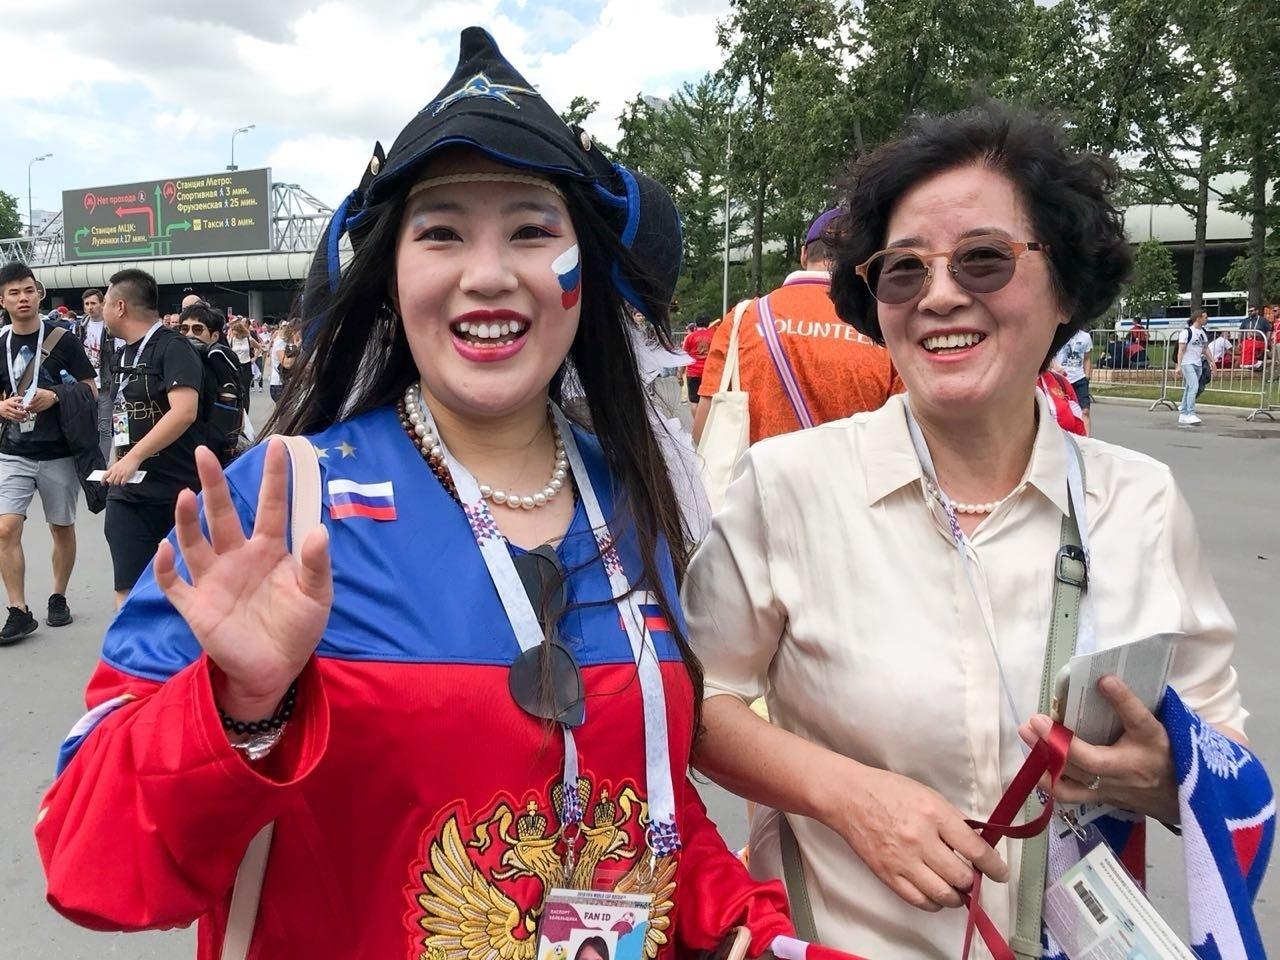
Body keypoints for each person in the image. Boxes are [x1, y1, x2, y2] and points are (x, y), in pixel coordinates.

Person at [37, 27, 793, 960]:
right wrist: (239, 705)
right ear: (392, 280)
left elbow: (651, 819)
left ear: (585, 279)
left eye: (532, 228)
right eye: (440, 232)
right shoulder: (278, 505)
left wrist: (752, 934)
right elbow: (92, 865)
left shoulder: (636, 506)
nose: (487, 273)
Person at [685, 105, 1267, 958]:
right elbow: (693, 701)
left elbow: (1222, 746)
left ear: (1064, 284)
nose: (942, 294)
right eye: (903, 271)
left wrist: (1158, 775)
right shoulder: (789, 486)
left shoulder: (1140, 502)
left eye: (984, 259)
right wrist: (850, 797)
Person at [693, 208, 902, 446]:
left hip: (758, 481)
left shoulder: (742, 319)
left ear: (803, 255)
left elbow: (704, 429)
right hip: (856, 481)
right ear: (863, 261)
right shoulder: (884, 326)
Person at [0, 262, 98, 643]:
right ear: (3, 300)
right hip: (13, 450)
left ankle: (58, 596)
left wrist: (55, 395)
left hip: (58, 451)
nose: (23, 298)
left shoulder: (63, 339)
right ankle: (18, 610)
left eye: (28, 290)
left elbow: (91, 388)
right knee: (6, 527)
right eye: (14, 292)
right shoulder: (1, 342)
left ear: (38, 293)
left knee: (61, 527)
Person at [101, 269, 204, 608]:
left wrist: (136, 456)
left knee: (183, 589)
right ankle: (130, 658)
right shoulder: (122, 353)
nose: (100, 310)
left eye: (104, 302)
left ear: (119, 307)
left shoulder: (174, 347)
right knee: (126, 589)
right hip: (128, 493)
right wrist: (119, 453)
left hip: (176, 489)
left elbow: (184, 411)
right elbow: (121, 407)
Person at [179, 302, 247, 465]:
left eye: (197, 329)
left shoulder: (214, 364)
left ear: (214, 336)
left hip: (203, 450)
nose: (189, 334)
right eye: (184, 328)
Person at [78, 287, 118, 460]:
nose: (89, 307)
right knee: (87, 425)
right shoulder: (81, 326)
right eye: (86, 304)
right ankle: (90, 460)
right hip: (87, 383)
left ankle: (102, 463)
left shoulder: (111, 327)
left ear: (102, 304)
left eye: (93, 303)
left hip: (106, 384)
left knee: (104, 426)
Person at [1051, 324, 1093, 434]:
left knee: (1085, 411)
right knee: (1061, 412)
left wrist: (1087, 375)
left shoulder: (1086, 337)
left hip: (1079, 378)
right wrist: (1055, 367)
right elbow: (1050, 354)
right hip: (1061, 379)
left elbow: (1087, 358)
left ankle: (1087, 442)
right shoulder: (1060, 335)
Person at [1176, 310, 1210, 425]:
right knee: (1194, 386)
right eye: (1205, 317)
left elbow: (1205, 348)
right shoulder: (1187, 332)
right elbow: (1181, 350)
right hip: (1187, 363)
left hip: (1197, 363)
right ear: (1198, 318)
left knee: (1189, 388)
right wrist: (1178, 366)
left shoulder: (1203, 332)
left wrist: (1213, 362)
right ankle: (1190, 413)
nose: (1207, 319)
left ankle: (1184, 412)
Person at [227, 319, 261, 411]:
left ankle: (246, 411)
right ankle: (238, 410)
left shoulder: (248, 339)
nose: (235, 335)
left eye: (237, 333)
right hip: (236, 367)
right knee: (237, 390)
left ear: (241, 332)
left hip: (246, 366)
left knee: (245, 390)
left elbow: (259, 347)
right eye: (234, 334)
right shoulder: (231, 340)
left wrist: (254, 358)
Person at [681, 313, 714, 404]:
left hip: (693, 372)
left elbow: (684, 356)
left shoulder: (690, 337)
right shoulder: (714, 335)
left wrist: (680, 373)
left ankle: (696, 418)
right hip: (708, 372)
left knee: (695, 401)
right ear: (708, 323)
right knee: (708, 400)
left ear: (696, 323)